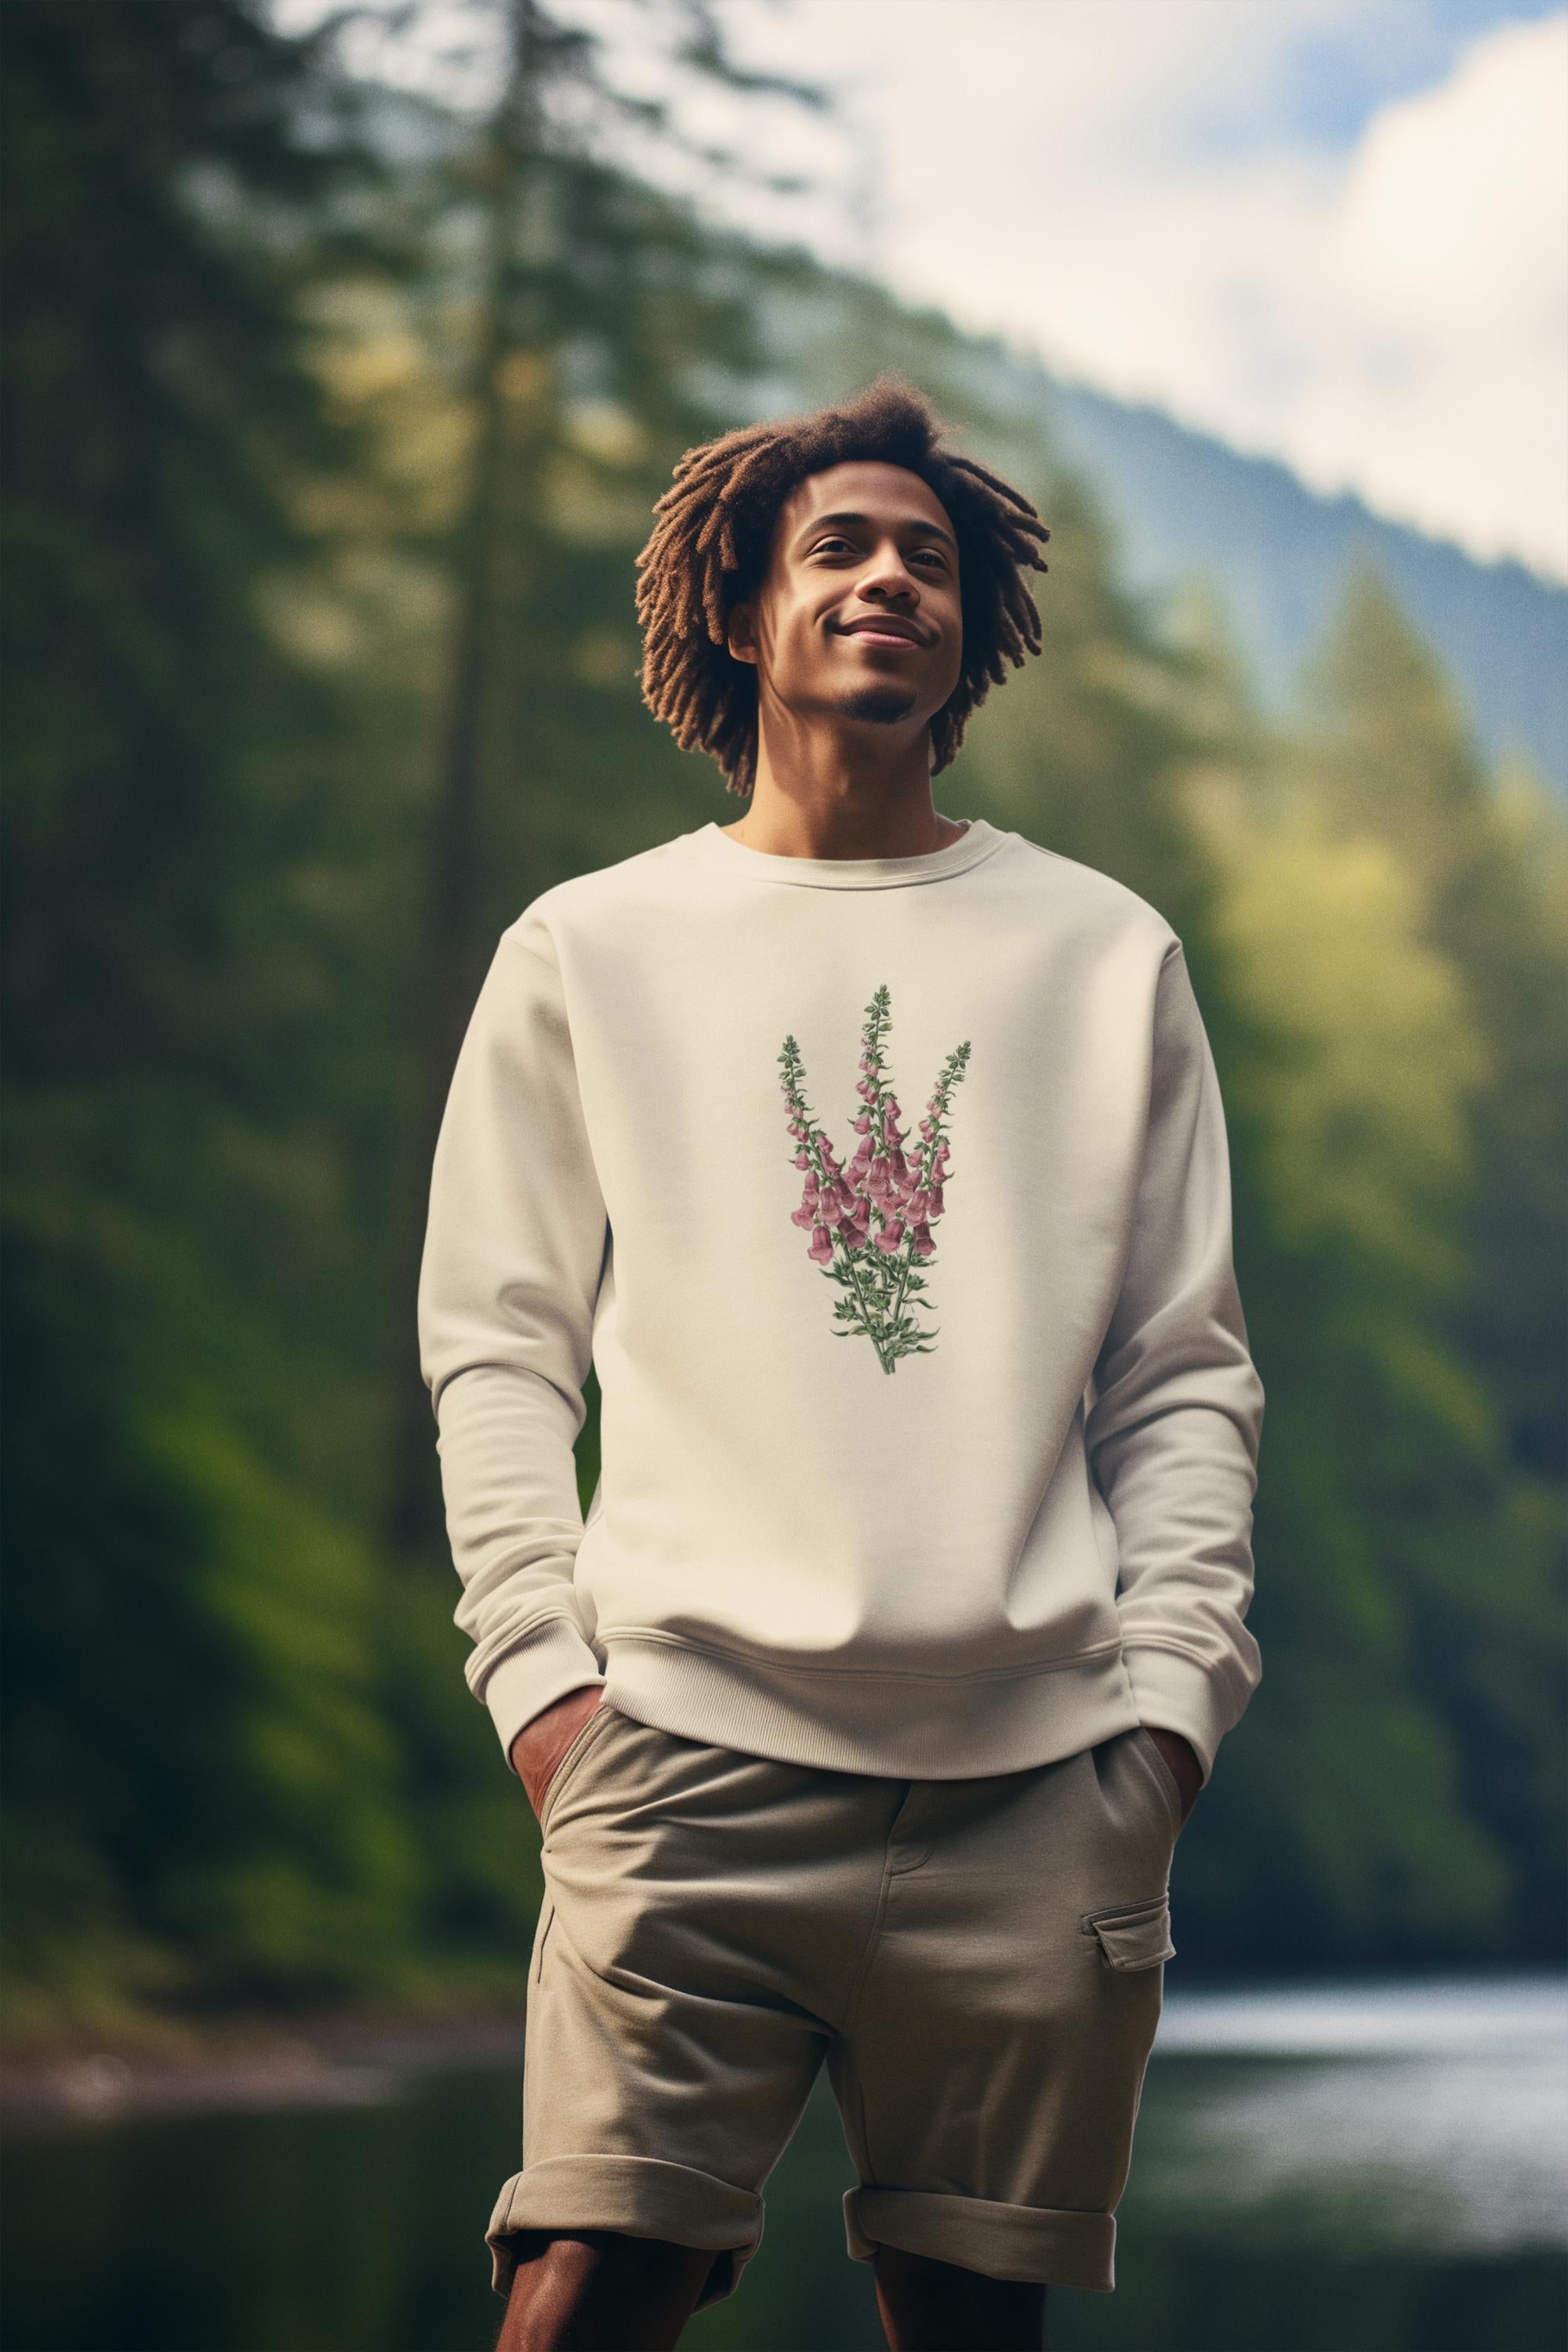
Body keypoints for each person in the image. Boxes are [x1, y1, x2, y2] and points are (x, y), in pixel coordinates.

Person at [417, 374, 1264, 2352]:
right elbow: (498, 1349)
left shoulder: (1100, 950)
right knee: (578, 2295)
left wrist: (1162, 1723)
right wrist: (544, 1686)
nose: (893, 577)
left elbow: (1182, 1375)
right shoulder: (590, 948)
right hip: (679, 1763)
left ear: (974, 628)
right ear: (739, 609)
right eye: (841, 545)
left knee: (971, 2334)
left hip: (1037, 1783)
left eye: (932, 558)